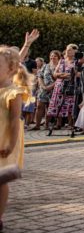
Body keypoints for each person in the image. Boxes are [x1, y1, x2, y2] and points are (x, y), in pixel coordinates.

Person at [0, 45, 35, 233]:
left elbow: (14, 121)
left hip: (3, 141)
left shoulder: (13, 93)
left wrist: (11, 144)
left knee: (1, 180)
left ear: (11, 70)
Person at [47, 44, 79, 129]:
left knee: (70, 104)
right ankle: (58, 124)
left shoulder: (77, 62)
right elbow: (54, 74)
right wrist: (64, 75)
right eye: (67, 49)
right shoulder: (61, 61)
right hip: (59, 85)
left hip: (71, 85)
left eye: (71, 50)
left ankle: (70, 124)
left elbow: (75, 74)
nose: (68, 51)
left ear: (75, 52)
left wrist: (61, 75)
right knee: (58, 103)